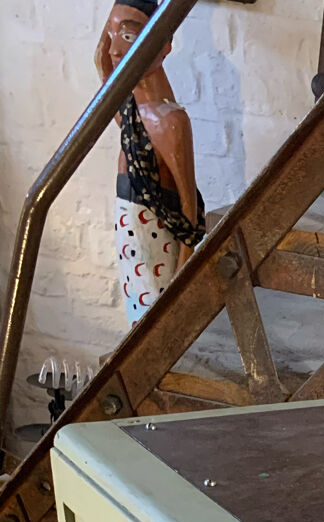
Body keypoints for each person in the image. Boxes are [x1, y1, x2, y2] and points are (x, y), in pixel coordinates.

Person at [95, 0, 205, 324]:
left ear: (163, 47)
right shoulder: (130, 110)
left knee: (153, 319)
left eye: (127, 37)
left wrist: (180, 284)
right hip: (129, 233)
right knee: (137, 315)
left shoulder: (169, 122)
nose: (115, 49)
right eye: (110, 34)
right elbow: (103, 65)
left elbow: (189, 213)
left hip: (155, 237)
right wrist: (110, 37)